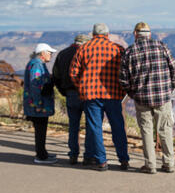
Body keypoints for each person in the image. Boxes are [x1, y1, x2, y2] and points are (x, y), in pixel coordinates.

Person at [120, 22, 175, 174]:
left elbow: (123, 79)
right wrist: (169, 89)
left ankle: (150, 165)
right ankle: (169, 163)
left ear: (135, 34)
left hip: (142, 99)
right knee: (165, 129)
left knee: (146, 131)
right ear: (150, 34)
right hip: (162, 97)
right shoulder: (162, 47)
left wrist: (133, 94)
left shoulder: (129, 52)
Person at [70, 23, 130, 171]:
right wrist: (122, 91)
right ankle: (123, 159)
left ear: (93, 34)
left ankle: (101, 160)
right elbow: (125, 72)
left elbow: (73, 73)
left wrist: (82, 87)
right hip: (113, 95)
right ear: (108, 35)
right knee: (118, 127)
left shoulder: (84, 48)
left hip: (91, 95)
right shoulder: (118, 49)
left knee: (95, 128)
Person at [53, 34, 92, 165]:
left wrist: (63, 91)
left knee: (73, 126)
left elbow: (56, 76)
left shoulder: (62, 54)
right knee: (90, 125)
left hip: (70, 94)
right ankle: (88, 156)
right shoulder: (87, 53)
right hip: (87, 94)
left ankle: (73, 155)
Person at [23, 43, 57, 164]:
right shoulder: (37, 64)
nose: (51, 55)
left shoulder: (36, 63)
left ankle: (43, 153)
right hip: (39, 105)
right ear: (43, 53)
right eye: (50, 52)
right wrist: (37, 104)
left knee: (41, 129)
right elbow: (35, 85)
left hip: (39, 104)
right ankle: (41, 156)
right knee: (40, 130)